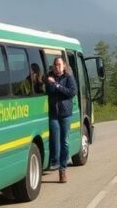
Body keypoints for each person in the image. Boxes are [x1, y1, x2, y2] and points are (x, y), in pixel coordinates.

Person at [45, 55, 77, 183]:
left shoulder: (68, 78)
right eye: (55, 65)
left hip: (65, 113)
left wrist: (57, 85)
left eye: (59, 65)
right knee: (55, 138)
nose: (57, 67)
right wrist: (50, 82)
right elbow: (48, 90)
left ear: (64, 66)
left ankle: (63, 169)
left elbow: (72, 92)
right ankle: (55, 162)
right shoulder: (49, 78)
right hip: (53, 113)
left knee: (65, 141)